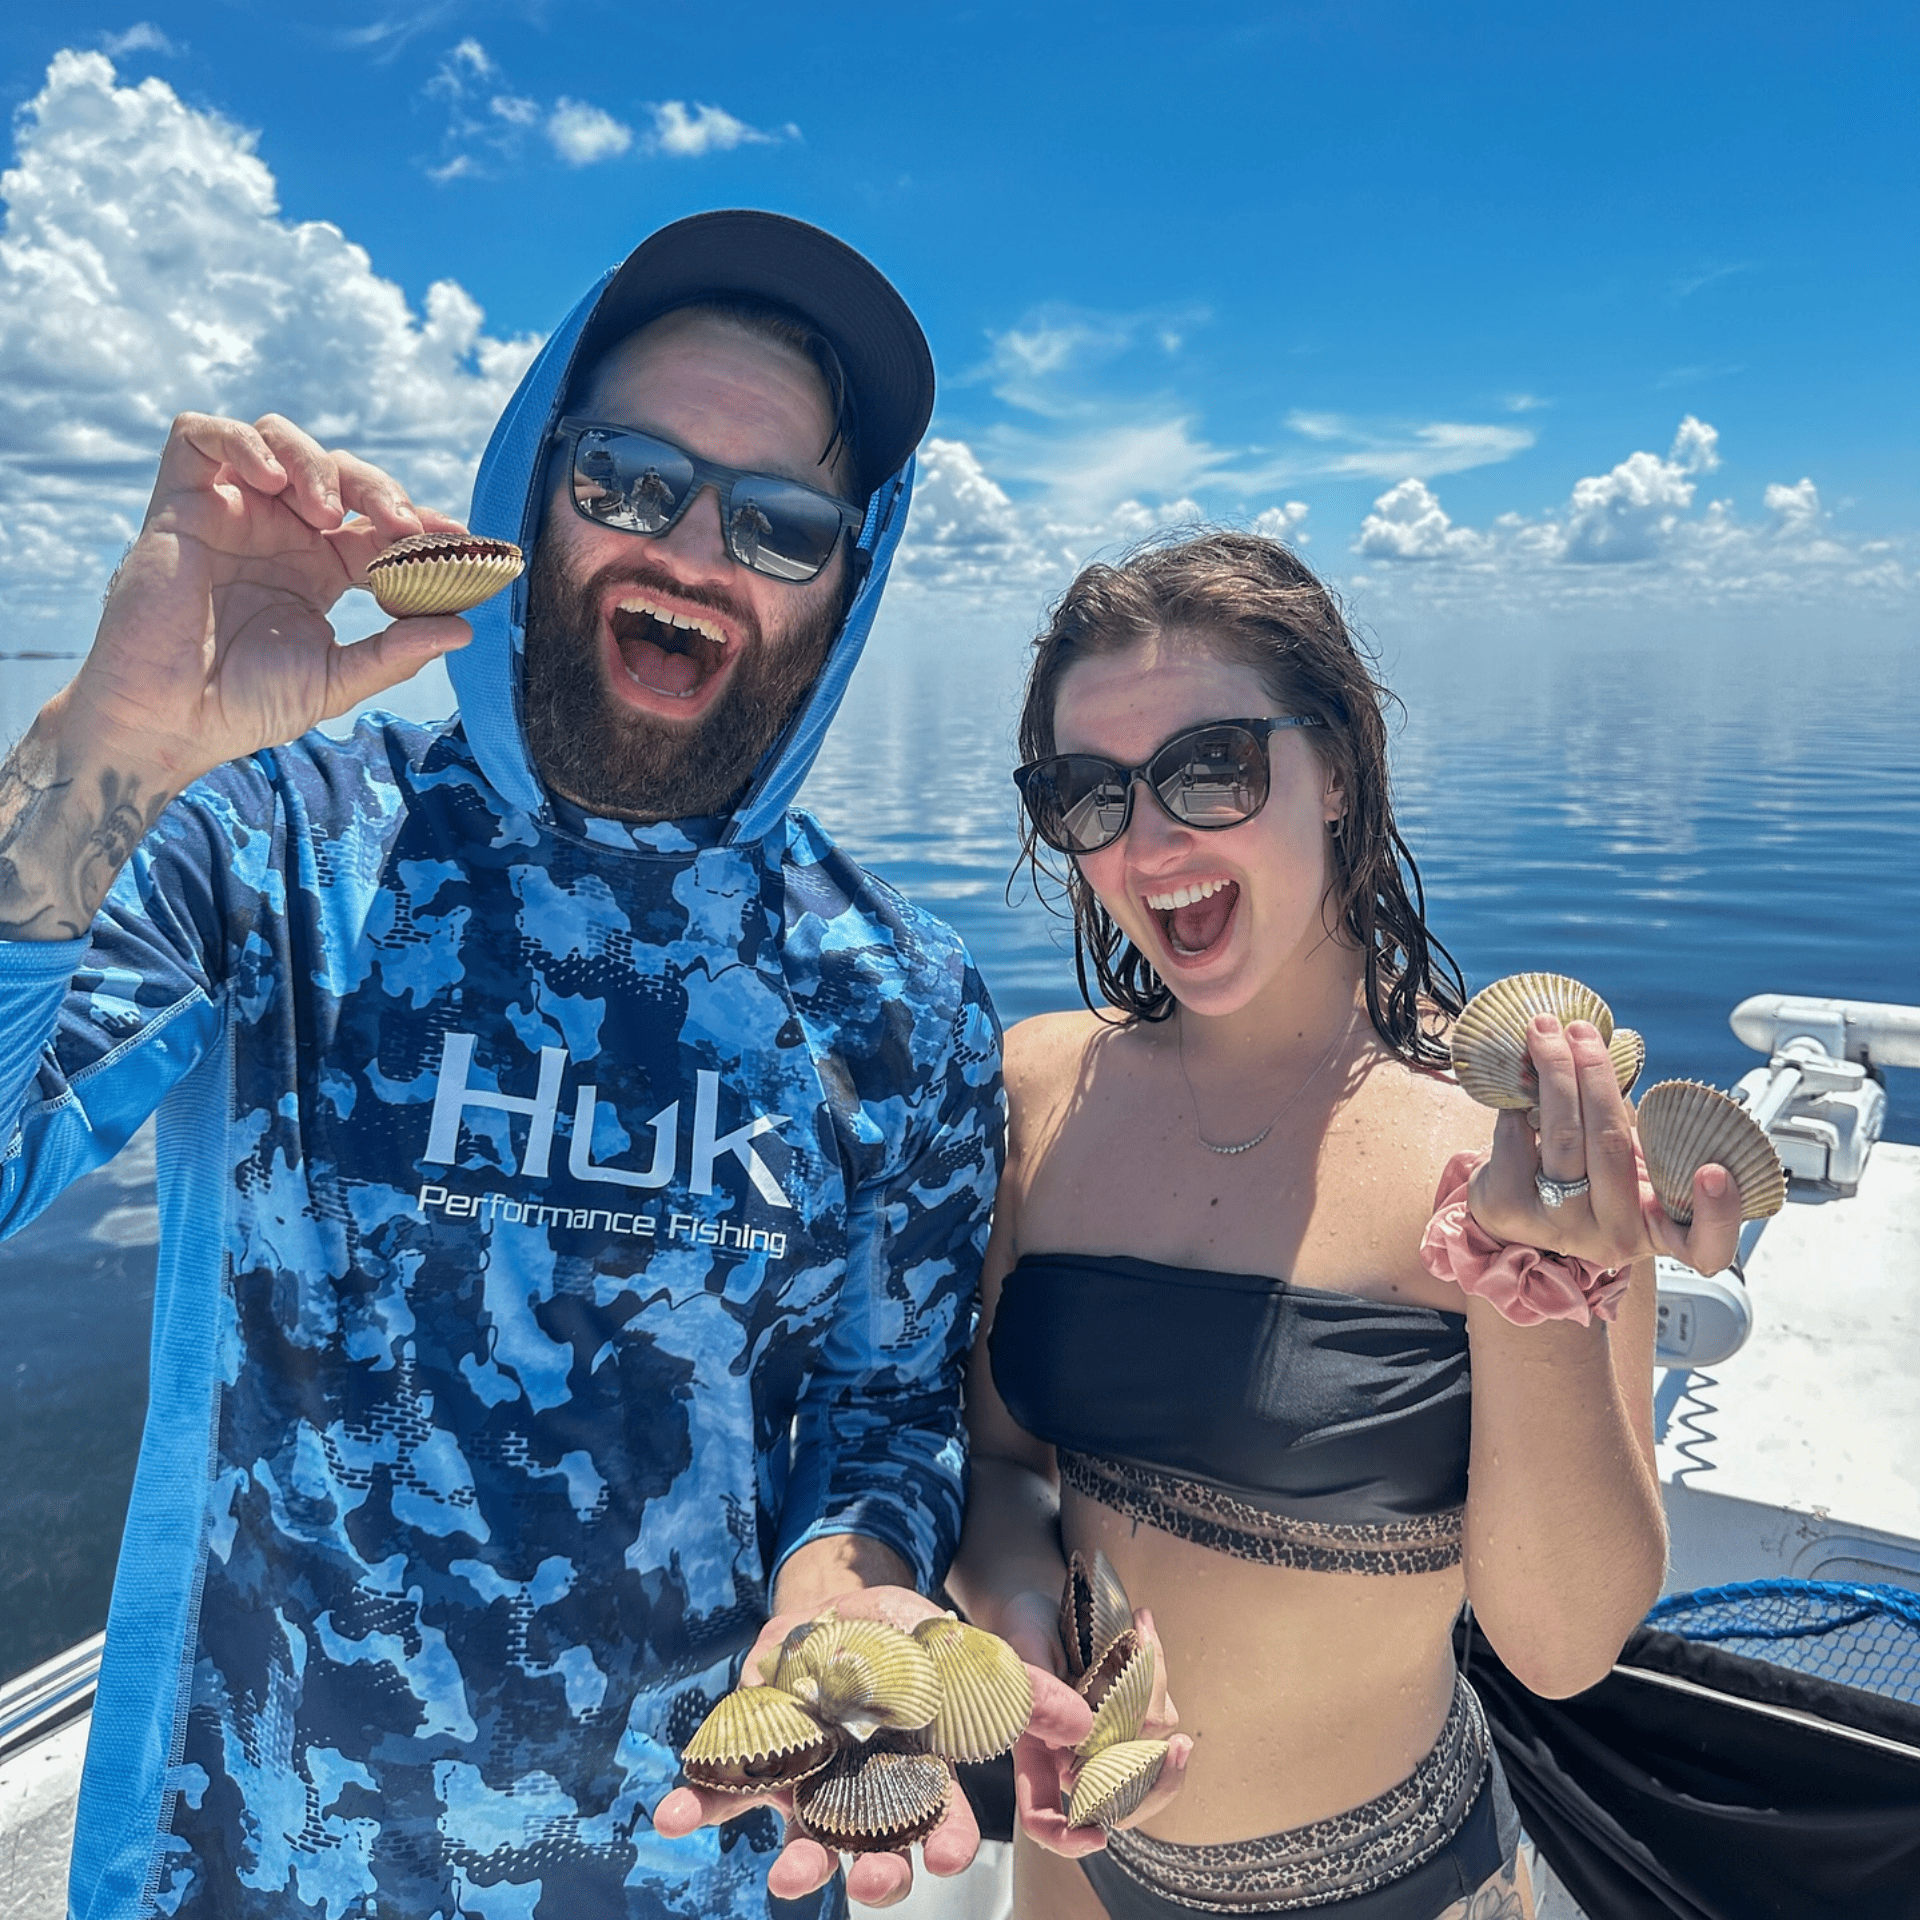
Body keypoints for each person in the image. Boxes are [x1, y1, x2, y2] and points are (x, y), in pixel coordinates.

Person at [0, 210, 1037, 1919]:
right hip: (243, 1872)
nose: (696, 550)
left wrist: (849, 1586)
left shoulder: (903, 1003)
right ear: (533, 484)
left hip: (706, 1874)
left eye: (780, 523)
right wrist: (106, 745)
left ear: (848, 584)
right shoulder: (270, 852)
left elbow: (882, 1410)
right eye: (633, 479)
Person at [946, 531, 1744, 1919]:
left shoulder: (1509, 1145)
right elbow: (1005, 1462)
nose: (1147, 842)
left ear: (1341, 775)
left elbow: (1561, 1644)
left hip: (1402, 1885)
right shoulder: (1037, 1088)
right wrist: (1017, 1620)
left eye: (1212, 768)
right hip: (1076, 1878)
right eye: (1085, 795)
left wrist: (1529, 1286)